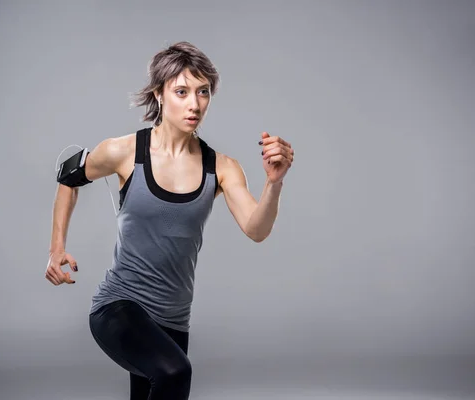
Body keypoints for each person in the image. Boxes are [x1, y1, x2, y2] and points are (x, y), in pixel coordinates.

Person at [45, 41, 294, 399]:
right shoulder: (125, 151)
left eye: (203, 92)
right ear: (159, 94)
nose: (194, 104)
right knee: (175, 372)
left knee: (159, 385)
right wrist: (56, 249)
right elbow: (69, 175)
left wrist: (274, 182)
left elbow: (257, 229)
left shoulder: (221, 167)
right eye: (181, 91)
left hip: (173, 320)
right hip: (119, 307)